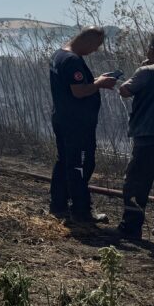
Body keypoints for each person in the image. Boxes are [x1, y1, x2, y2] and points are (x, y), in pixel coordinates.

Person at [48, 27, 117, 222]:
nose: (94, 51)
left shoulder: (59, 55)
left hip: (63, 118)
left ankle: (58, 205)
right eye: (95, 46)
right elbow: (78, 92)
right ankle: (81, 211)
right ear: (87, 41)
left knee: (64, 162)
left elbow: (72, 86)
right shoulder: (72, 61)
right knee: (81, 165)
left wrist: (96, 80)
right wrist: (99, 84)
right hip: (76, 124)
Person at [116, 35, 154, 239]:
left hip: (148, 137)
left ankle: (131, 227)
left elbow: (124, 91)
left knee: (137, 183)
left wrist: (141, 69)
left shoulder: (147, 71)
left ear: (153, 50)